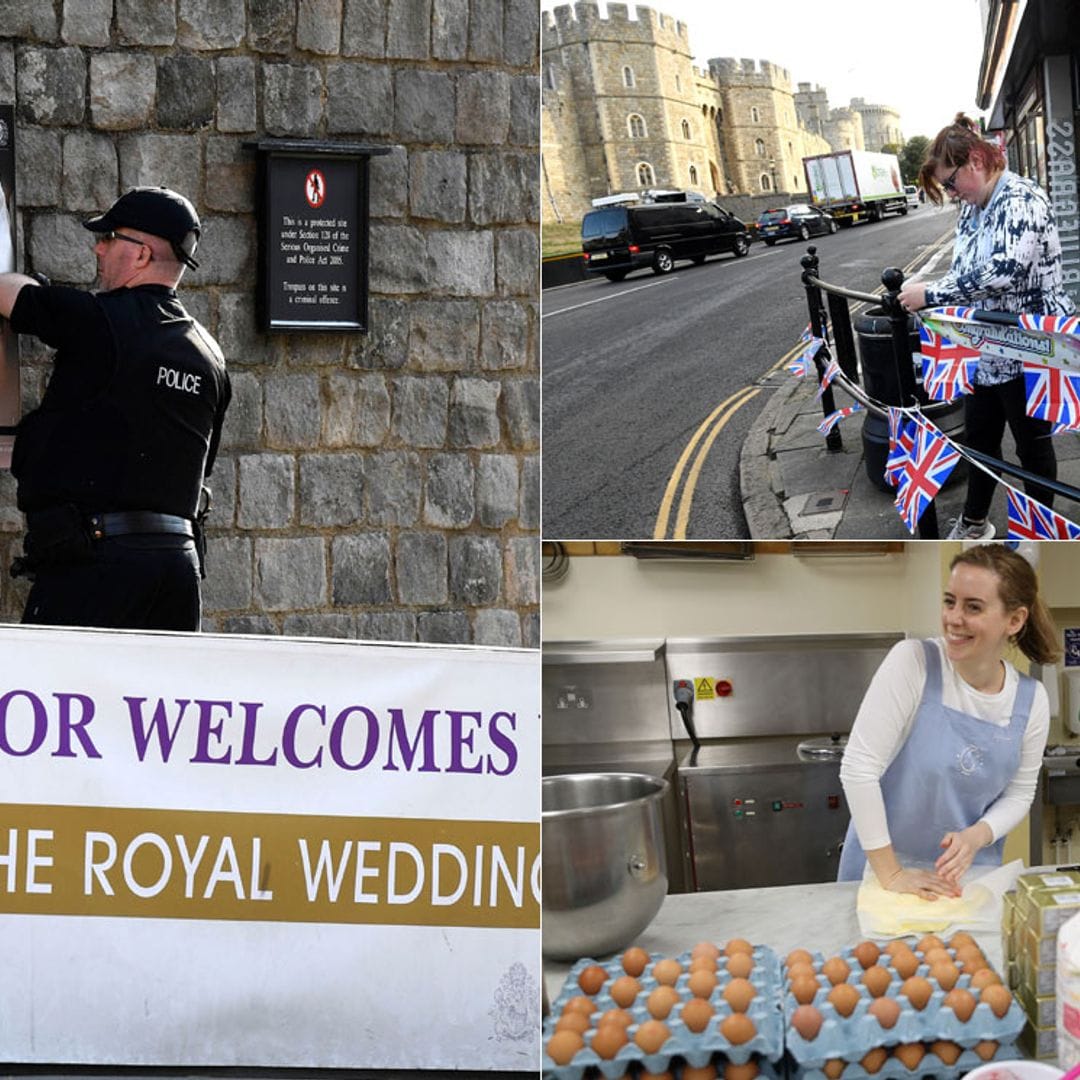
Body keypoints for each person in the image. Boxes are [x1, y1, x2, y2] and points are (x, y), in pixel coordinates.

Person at [0, 186, 231, 631]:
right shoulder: (210, 356)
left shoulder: (99, 321)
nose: (98, 247)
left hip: (97, 567)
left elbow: (8, 292)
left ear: (142, 254)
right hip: (178, 571)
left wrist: (41, 289)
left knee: (62, 694)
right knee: (158, 699)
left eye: (110, 238)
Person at [837, 543, 1057, 900]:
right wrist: (891, 874)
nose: (954, 618)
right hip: (881, 878)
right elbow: (858, 768)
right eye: (949, 601)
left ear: (1014, 620)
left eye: (973, 607)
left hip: (964, 882)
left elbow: (1019, 794)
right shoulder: (915, 663)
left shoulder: (1031, 701)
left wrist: (977, 836)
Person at [897, 114, 1076, 542]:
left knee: (1032, 447)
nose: (953, 193)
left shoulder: (1021, 198)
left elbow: (1004, 271)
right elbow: (966, 267)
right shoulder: (975, 207)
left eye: (953, 182)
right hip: (988, 348)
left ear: (975, 160)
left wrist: (933, 295)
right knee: (979, 439)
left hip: (1031, 347)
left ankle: (1039, 536)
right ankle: (976, 521)